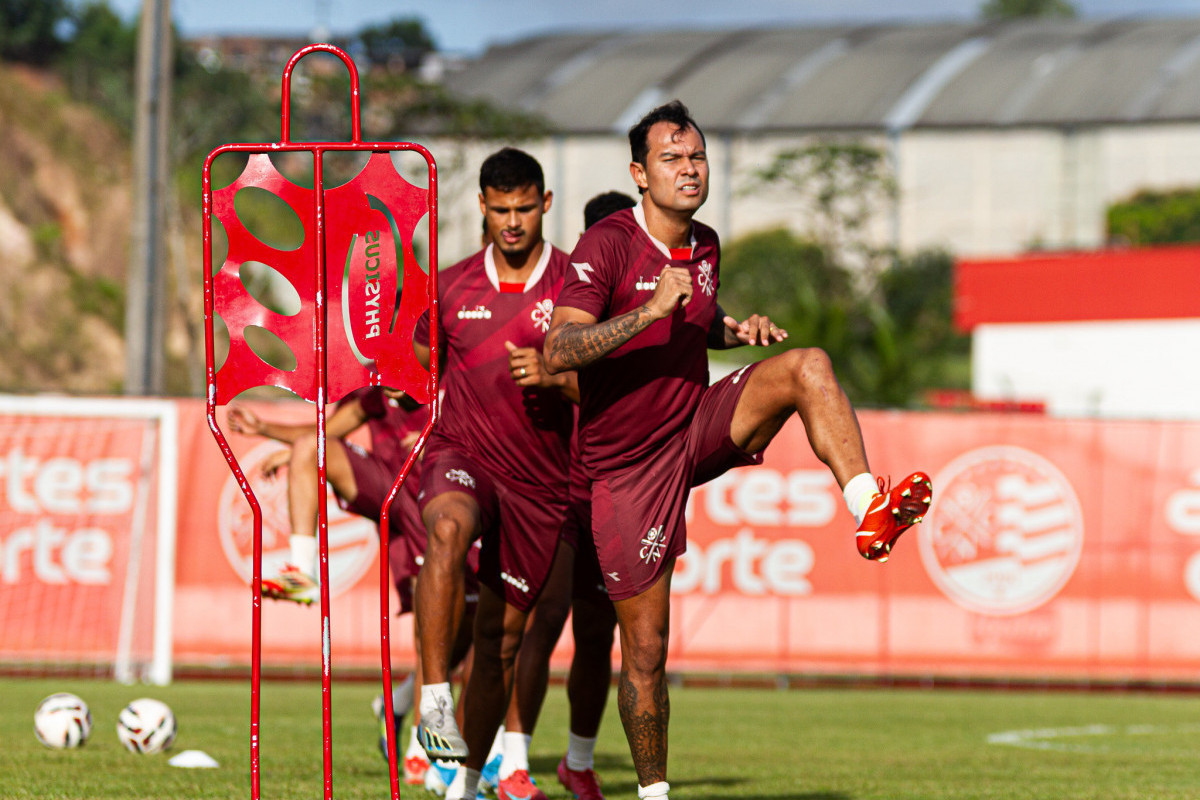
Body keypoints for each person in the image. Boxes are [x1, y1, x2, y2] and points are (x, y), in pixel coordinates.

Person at [543, 100, 933, 800]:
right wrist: (647, 312)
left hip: (692, 425)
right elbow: (559, 349)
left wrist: (730, 328)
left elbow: (696, 319)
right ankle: (653, 793)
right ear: (639, 172)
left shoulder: (707, 244)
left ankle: (869, 510)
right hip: (626, 471)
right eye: (672, 158)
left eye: (697, 158)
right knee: (646, 655)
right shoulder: (605, 244)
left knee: (808, 365)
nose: (689, 170)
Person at [412, 147, 577, 800]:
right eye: (501, 209)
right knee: (447, 531)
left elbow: (608, 391)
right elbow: (424, 361)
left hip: (540, 484)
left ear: (545, 205)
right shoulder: (450, 285)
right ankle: (432, 708)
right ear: (482, 206)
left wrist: (557, 376)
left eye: (525, 209)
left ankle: (469, 782)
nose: (513, 222)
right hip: (462, 455)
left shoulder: (577, 286)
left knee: (501, 645)